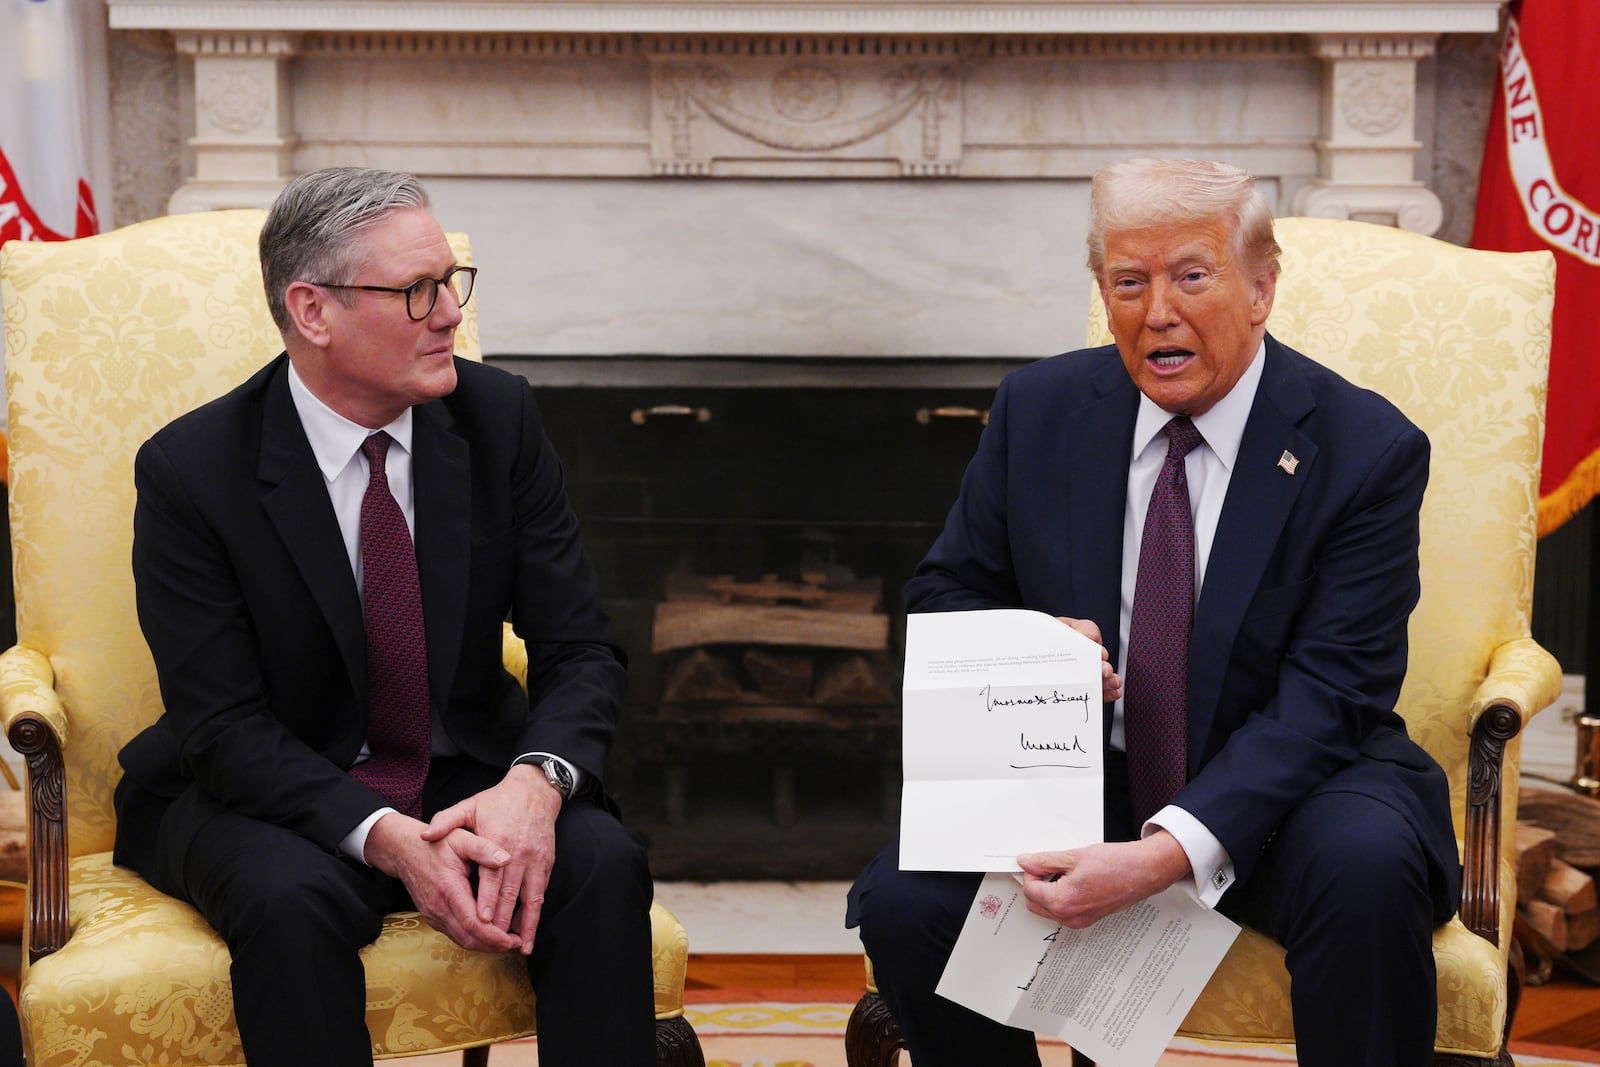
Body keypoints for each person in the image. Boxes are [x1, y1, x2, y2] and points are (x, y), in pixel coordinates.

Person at [848, 158, 1461, 1067]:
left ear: (1261, 288)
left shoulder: (1363, 448)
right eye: (1129, 282)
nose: (1158, 311)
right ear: (1103, 294)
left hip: (1295, 787)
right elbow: (945, 595)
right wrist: (1032, 645)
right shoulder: (1039, 410)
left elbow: (1337, 690)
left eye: (1191, 275)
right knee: (904, 900)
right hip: (1088, 774)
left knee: (1367, 867)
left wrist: (1168, 850)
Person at [111, 167, 656, 1066]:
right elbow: (223, 726)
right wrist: (386, 840)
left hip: (464, 773)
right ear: (313, 311)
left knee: (600, 861)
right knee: (289, 905)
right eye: (416, 291)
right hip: (269, 794)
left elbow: (581, 648)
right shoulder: (192, 472)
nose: (449, 312)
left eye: (450, 282)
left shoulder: (499, 419)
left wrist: (534, 786)